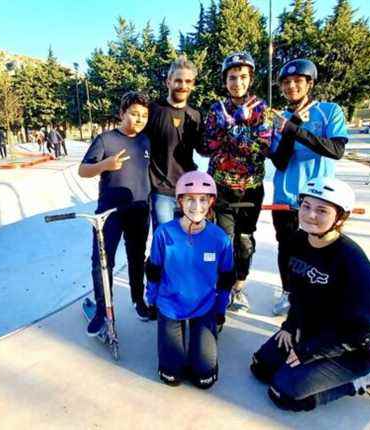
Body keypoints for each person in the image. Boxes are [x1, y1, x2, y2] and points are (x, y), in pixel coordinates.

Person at [250, 177, 370, 412]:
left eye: (322, 210)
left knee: (283, 393)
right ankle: (303, 368)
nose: (310, 216)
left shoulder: (353, 264)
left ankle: (364, 379)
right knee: (261, 367)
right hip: (313, 330)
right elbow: (298, 291)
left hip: (353, 347)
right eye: (306, 206)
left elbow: (365, 335)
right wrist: (290, 325)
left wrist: (309, 351)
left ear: (340, 218)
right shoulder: (296, 242)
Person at [269, 58, 348, 316]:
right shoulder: (280, 118)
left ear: (309, 83)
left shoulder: (329, 111)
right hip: (287, 197)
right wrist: (290, 126)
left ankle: (318, 297)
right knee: (287, 249)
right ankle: (287, 293)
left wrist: (297, 129)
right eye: (286, 83)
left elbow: (336, 150)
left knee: (322, 249)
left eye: (297, 81)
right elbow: (279, 160)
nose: (291, 86)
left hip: (320, 198)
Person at [197, 51, 272, 312]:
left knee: (243, 240)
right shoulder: (216, 109)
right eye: (231, 77)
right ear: (225, 80)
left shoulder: (261, 109)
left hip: (250, 189)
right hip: (222, 187)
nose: (236, 82)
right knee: (223, 239)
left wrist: (233, 132)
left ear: (250, 78)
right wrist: (231, 128)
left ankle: (239, 286)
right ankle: (223, 287)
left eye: (242, 77)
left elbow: (262, 147)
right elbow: (206, 146)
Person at [146, 171, 234, 388]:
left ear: (211, 201)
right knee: (171, 376)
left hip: (204, 305)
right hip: (170, 306)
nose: (197, 206)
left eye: (203, 199)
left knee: (204, 377)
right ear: (180, 201)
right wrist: (152, 299)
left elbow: (225, 279)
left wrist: (221, 309)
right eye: (190, 199)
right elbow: (154, 270)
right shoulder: (164, 233)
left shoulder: (220, 238)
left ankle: (199, 340)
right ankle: (175, 339)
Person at [78, 91, 153, 336]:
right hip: (109, 214)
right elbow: (83, 170)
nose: (139, 119)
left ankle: (138, 300)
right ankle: (102, 310)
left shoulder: (145, 141)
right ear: (122, 113)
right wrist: (105, 165)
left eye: (143, 115)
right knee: (102, 262)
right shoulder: (105, 140)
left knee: (136, 257)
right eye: (133, 113)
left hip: (139, 209)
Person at [144, 55, 201, 228]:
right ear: (168, 82)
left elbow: (203, 148)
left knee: (187, 241)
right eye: (178, 80)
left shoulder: (195, 115)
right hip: (160, 191)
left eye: (188, 81)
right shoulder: (152, 110)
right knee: (166, 243)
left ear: (192, 85)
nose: (183, 86)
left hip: (188, 190)